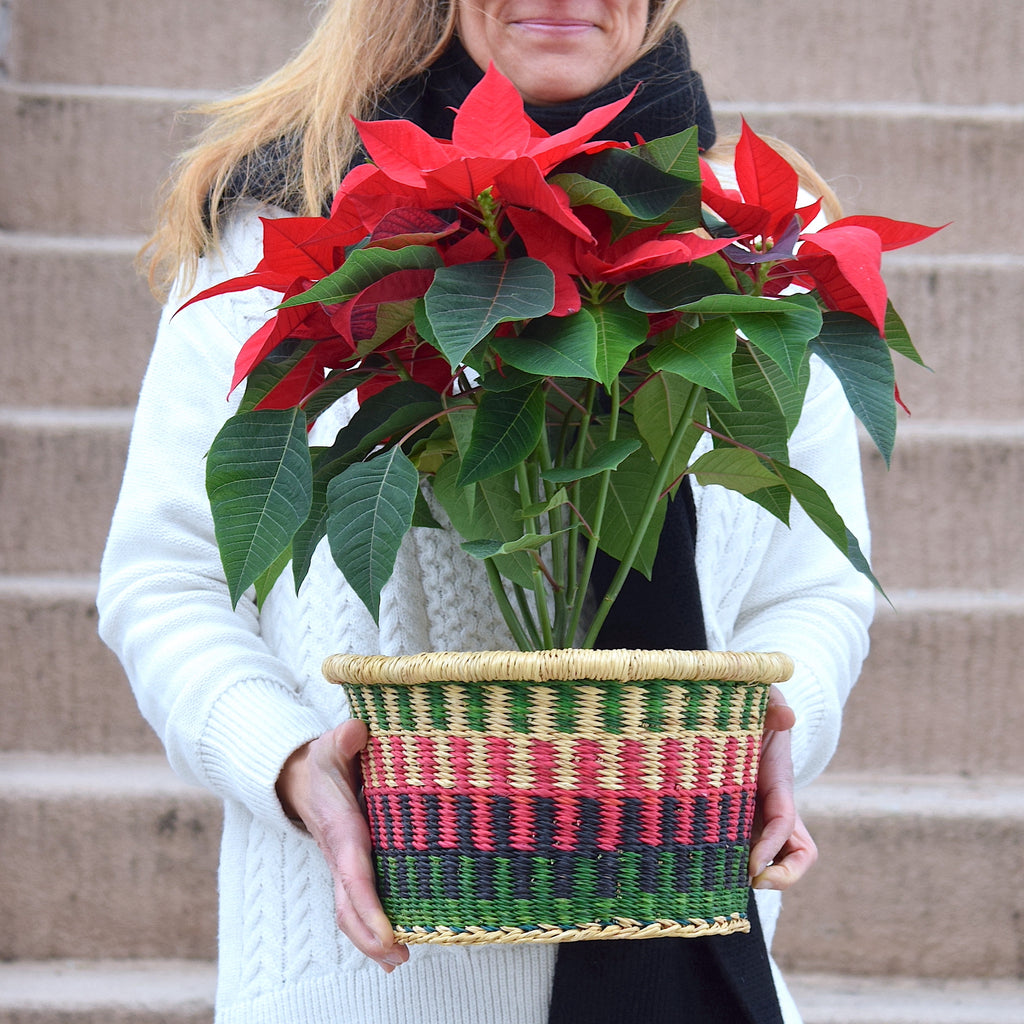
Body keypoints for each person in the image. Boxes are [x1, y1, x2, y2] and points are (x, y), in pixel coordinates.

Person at [98, 2, 873, 1022]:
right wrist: (293, 765)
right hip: (378, 979)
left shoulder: (754, 253)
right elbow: (167, 578)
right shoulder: (277, 236)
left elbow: (812, 586)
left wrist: (774, 720)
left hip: (685, 954)